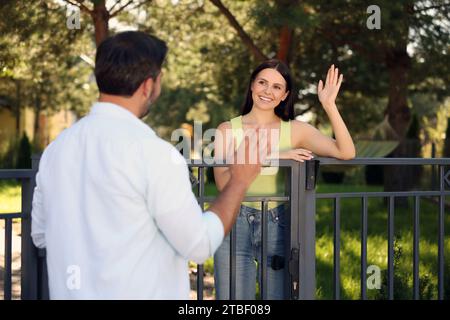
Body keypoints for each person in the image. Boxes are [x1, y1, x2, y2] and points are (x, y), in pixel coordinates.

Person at [30, 31, 263, 299]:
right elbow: (199, 244)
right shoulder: (155, 154)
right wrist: (240, 181)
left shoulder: (56, 150)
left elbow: (41, 235)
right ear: (148, 86)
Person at [213, 59, 356, 299]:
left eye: (277, 87)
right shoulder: (227, 130)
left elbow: (346, 152)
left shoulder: (296, 130)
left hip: (277, 224)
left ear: (285, 95)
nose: (268, 91)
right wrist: (277, 156)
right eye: (262, 83)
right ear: (252, 86)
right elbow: (222, 182)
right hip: (233, 221)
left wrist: (329, 105)